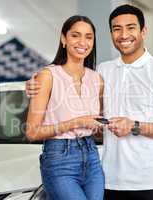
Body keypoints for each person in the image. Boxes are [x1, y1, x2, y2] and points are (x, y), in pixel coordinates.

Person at [26, 4, 153, 200]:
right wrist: (34, 85)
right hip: (109, 179)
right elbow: (94, 118)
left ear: (143, 31)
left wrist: (135, 126)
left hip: (149, 181)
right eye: (116, 29)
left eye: (130, 27)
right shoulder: (103, 72)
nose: (123, 34)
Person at [25, 15, 105, 200]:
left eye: (88, 37)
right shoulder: (47, 76)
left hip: (92, 158)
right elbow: (32, 132)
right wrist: (76, 122)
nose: (82, 42)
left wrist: (102, 126)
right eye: (75, 35)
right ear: (64, 39)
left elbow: (97, 130)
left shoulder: (97, 79)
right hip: (60, 160)